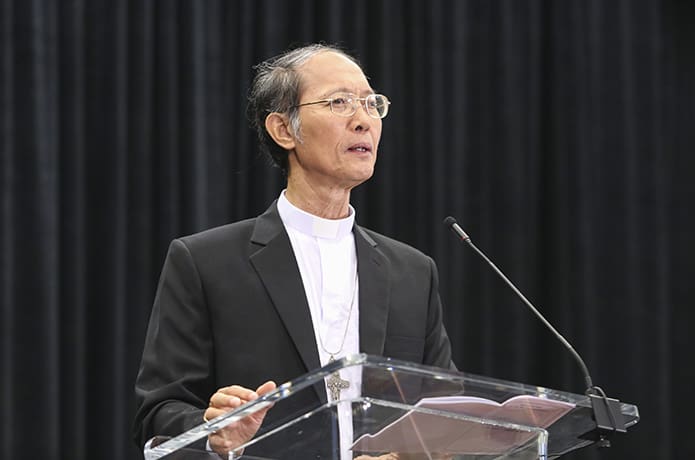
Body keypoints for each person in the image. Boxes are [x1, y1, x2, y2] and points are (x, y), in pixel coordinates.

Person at [133, 43, 455, 458]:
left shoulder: (413, 272)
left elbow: (447, 413)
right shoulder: (205, 263)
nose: (363, 121)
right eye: (340, 102)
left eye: (372, 104)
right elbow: (157, 413)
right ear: (284, 129)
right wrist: (212, 431)